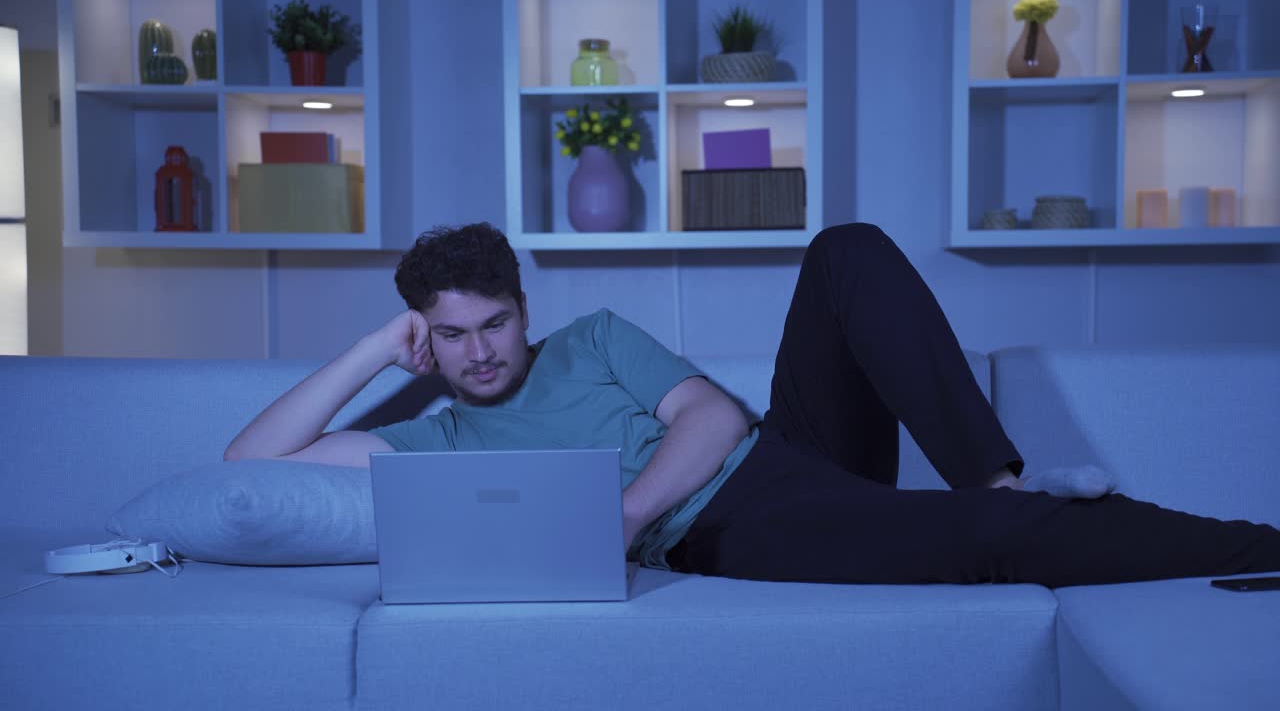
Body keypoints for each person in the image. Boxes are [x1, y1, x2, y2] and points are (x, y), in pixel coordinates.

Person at [225, 222, 1280, 587]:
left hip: (777, 455)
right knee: (995, 543)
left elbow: (714, 418)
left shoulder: (592, 338)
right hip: (731, 528)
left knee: (845, 250)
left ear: (521, 308)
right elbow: (250, 467)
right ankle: (1258, 548)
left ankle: (994, 475)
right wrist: (375, 349)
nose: (479, 353)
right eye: (449, 336)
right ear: (425, 336)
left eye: (492, 324)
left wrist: (622, 514)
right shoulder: (438, 438)